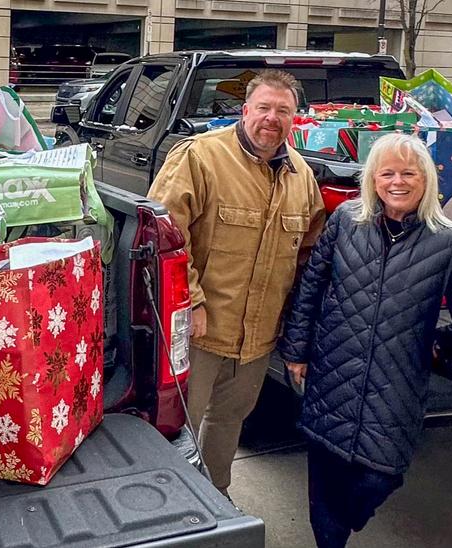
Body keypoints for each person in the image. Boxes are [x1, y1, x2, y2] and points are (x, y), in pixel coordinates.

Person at [278, 133, 452, 548]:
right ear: (373, 179)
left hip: (395, 385)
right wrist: (297, 350)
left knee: (381, 476)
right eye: (387, 173)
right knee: (325, 480)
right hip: (333, 372)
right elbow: (310, 287)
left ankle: (339, 524)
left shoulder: (449, 242)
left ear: (426, 179)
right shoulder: (346, 220)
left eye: (409, 173)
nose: (398, 182)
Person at [146, 69, 325, 498]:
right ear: (245, 111)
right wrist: (190, 301)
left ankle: (216, 497)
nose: (272, 118)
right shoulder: (201, 157)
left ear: (295, 118)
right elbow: (163, 232)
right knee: (176, 425)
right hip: (200, 331)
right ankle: (171, 502)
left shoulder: (302, 178)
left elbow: (308, 257)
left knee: (229, 420)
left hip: (257, 339)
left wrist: (294, 326)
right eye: (263, 107)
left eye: (283, 111)